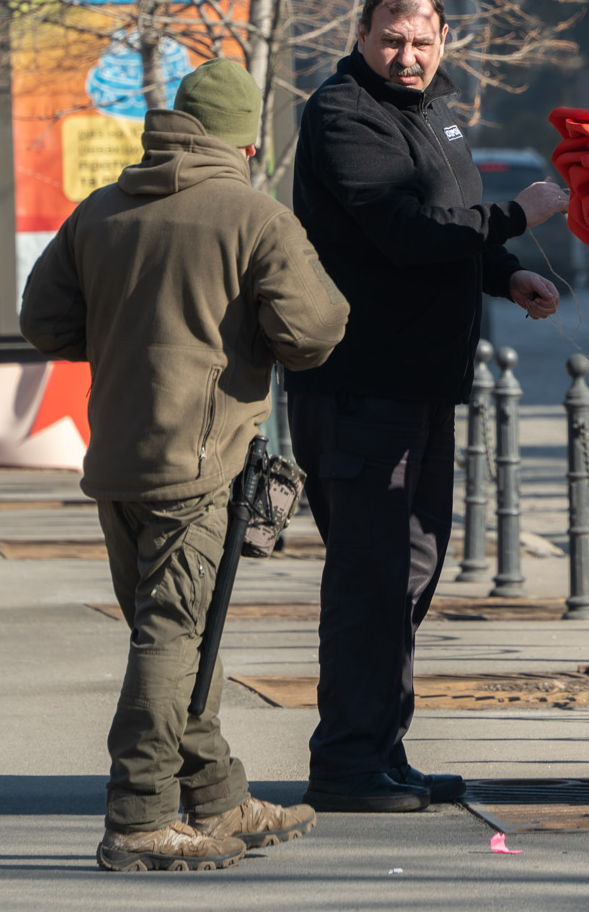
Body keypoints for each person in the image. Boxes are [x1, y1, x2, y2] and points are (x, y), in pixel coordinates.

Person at [20, 58, 350, 871]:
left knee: (175, 631)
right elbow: (312, 333)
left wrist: (127, 335)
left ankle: (220, 798)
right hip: (200, 467)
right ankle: (139, 814)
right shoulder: (255, 218)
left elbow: (42, 320)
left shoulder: (99, 211)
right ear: (246, 143)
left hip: (117, 462)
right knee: (171, 636)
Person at [288, 0, 568, 813]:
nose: (405, 56)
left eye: (420, 40)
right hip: (360, 386)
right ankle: (344, 761)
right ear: (363, 33)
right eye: (389, 39)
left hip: (421, 387)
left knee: (410, 573)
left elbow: (450, 222)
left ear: (444, 37)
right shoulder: (343, 114)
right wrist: (516, 218)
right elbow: (404, 232)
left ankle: (382, 748)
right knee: (370, 579)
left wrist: (504, 271)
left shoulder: (439, 112)